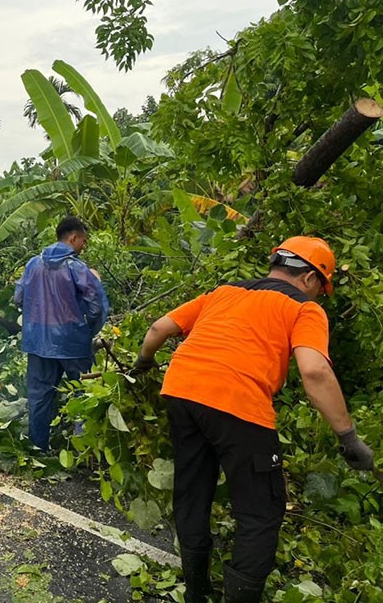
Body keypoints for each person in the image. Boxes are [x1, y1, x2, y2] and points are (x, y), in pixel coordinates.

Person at [133, 236, 376, 602]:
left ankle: (196, 593)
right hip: (239, 403)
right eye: (319, 290)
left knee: (192, 493)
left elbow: (157, 329)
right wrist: (348, 436)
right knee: (261, 512)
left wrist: (144, 363)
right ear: (310, 279)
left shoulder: (224, 293)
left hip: (182, 392)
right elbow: (314, 372)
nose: (317, 297)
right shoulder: (304, 309)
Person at [14, 216, 109, 452]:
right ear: (73, 237)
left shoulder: (32, 265)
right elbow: (96, 305)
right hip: (72, 342)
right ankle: (83, 452)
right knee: (84, 394)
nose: (83, 246)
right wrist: (88, 330)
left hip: (37, 342)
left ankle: (38, 449)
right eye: (83, 241)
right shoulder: (77, 268)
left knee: (40, 397)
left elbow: (18, 298)